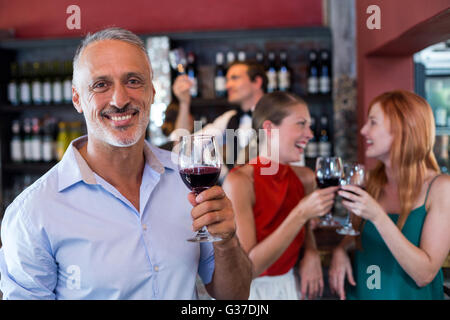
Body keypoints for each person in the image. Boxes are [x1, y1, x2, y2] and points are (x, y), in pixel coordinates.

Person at [0, 27, 252, 300]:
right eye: (101, 85)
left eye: (133, 81)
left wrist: (227, 241)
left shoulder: (184, 180)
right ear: (77, 99)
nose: (120, 100)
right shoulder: (33, 213)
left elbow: (235, 297)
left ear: (152, 92)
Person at [329, 90, 450, 300]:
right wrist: (341, 250)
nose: (364, 130)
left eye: (373, 122)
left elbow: (424, 274)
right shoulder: (371, 182)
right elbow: (361, 234)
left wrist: (378, 216)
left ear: (402, 130)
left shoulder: (441, 189)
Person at [222, 92, 339, 299]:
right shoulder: (240, 181)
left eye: (309, 125)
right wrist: (301, 213)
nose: (310, 134)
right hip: (253, 292)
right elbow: (249, 268)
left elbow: (305, 230)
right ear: (269, 129)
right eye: (301, 124)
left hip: (290, 286)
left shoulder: (305, 178)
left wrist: (311, 251)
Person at [171, 60, 266, 171]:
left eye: (234, 78)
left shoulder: (280, 115)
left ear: (257, 82)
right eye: (227, 80)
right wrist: (184, 103)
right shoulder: (229, 119)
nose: (227, 85)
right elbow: (183, 148)